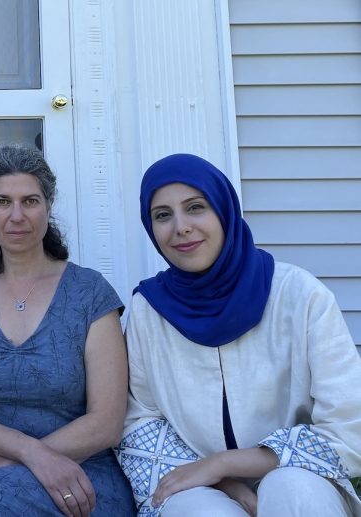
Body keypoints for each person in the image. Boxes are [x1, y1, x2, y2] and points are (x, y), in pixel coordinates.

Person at [116, 153, 361, 516]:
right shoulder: (148, 310)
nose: (180, 227)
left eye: (196, 207)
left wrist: (225, 463)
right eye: (163, 215)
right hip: (193, 481)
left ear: (224, 210)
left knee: (294, 491)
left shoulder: (298, 295)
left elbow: (348, 425)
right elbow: (139, 420)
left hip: (302, 470)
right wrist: (217, 478)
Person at [0, 144, 136, 517]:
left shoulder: (90, 293)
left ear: (49, 205)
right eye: (3, 201)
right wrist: (30, 455)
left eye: (30, 201)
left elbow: (106, 424)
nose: (17, 216)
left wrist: (1, 465)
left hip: (81, 474)